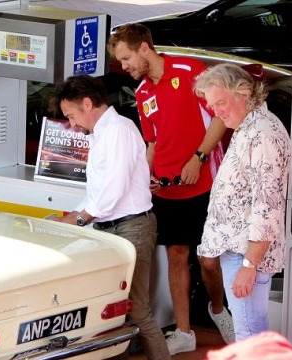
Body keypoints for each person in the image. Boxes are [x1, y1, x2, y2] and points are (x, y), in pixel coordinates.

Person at [107, 23, 235, 355]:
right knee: (177, 257)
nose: (125, 67)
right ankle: (184, 331)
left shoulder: (190, 70)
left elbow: (220, 118)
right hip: (166, 189)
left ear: (144, 49)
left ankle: (218, 310)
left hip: (205, 182)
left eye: (126, 59)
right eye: (121, 62)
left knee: (208, 260)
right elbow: (153, 141)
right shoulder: (142, 93)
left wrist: (199, 157)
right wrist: (145, 174)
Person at [49, 74, 171, 360]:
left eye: (71, 115)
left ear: (88, 104)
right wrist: (74, 217)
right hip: (113, 228)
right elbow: (98, 194)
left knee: (136, 309)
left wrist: (78, 220)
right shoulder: (104, 133)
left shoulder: (118, 130)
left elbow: (112, 191)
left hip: (131, 227)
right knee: (110, 310)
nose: (71, 124)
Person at [194, 63, 291, 341]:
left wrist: (249, 267)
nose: (217, 111)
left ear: (244, 93)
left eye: (221, 102)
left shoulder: (262, 132)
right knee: (250, 333)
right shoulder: (249, 126)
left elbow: (267, 207)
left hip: (245, 254)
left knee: (249, 336)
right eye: (212, 106)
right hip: (240, 251)